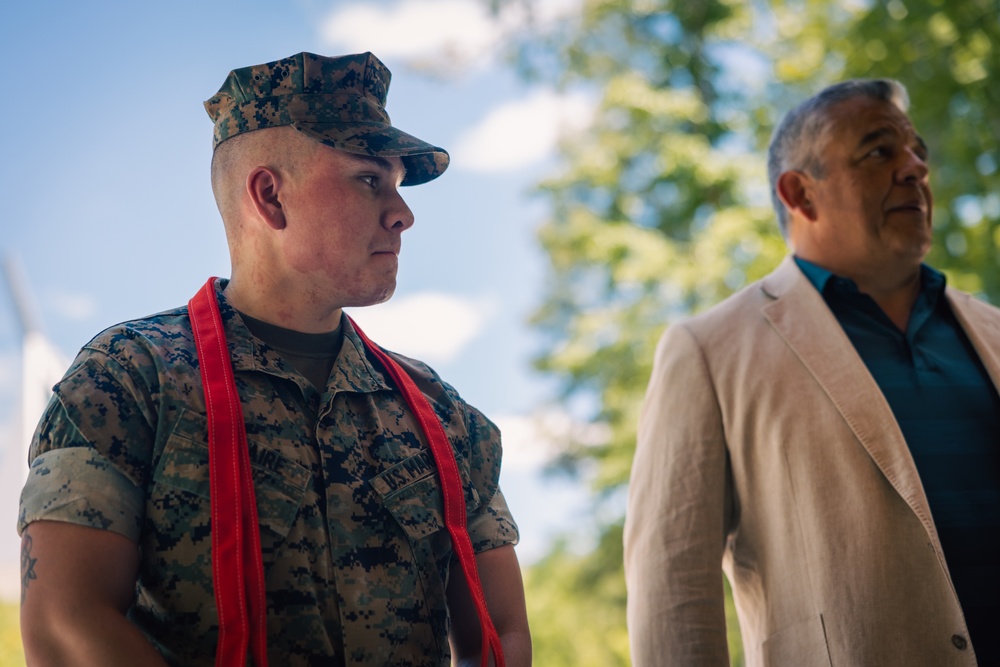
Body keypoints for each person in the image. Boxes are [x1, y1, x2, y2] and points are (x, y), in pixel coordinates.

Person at [18, 51, 531, 667]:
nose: (403, 214)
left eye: (396, 185)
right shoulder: (129, 378)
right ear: (270, 198)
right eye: (370, 180)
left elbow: (501, 638)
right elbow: (65, 622)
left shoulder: (443, 416)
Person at [624, 78, 1000, 666]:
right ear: (800, 193)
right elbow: (672, 594)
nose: (914, 168)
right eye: (880, 151)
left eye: (917, 151)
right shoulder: (707, 350)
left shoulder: (993, 330)